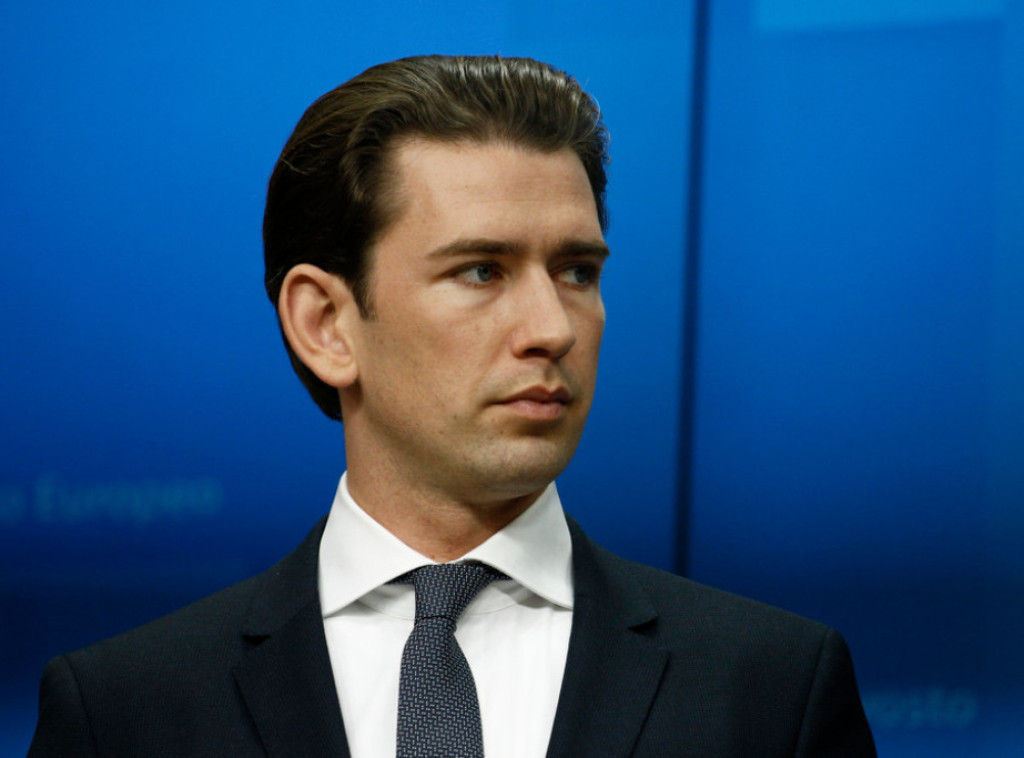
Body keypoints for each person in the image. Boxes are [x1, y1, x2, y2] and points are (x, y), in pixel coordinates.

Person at [28, 55, 876, 757]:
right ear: (326, 325)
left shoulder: (772, 690)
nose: (552, 328)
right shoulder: (124, 712)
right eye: (481, 271)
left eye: (577, 272)